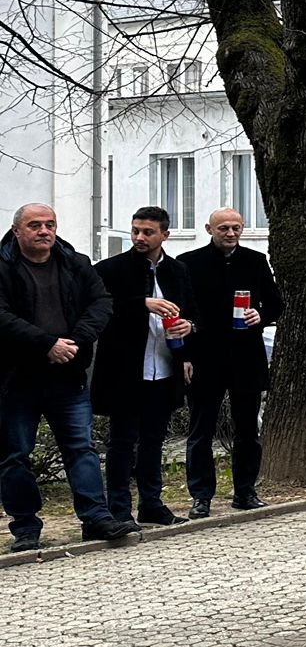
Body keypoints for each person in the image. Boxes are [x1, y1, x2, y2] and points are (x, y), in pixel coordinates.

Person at [0, 205, 136, 551]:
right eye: (35, 225)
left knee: (82, 449)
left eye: (50, 224)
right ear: (17, 231)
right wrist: (46, 344)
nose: (44, 231)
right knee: (15, 455)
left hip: (68, 374)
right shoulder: (3, 266)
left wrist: (75, 341)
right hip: (16, 380)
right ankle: (25, 529)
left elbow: (101, 303)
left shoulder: (75, 263)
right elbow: (3, 317)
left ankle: (96, 518)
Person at [92, 207, 196, 527]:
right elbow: (98, 311)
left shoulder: (177, 270)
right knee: (122, 442)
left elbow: (192, 311)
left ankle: (151, 503)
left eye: (148, 232)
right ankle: (119, 509)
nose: (139, 237)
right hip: (125, 370)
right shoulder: (110, 269)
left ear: (165, 235)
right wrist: (142, 303)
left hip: (163, 367)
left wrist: (190, 328)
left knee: (153, 440)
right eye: (135, 230)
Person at [178, 208, 284, 515]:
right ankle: (201, 496)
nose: (230, 233)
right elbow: (182, 312)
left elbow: (276, 303)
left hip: (246, 356)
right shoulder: (189, 263)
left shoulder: (255, 260)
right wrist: (184, 354)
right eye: (223, 227)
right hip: (205, 356)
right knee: (201, 430)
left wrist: (260, 315)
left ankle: (245, 492)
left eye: (236, 227)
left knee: (248, 429)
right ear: (209, 229)